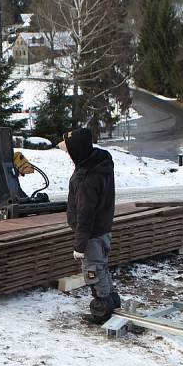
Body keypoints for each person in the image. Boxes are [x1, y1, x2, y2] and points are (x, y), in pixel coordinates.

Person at [59, 128, 120, 324]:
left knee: (93, 270)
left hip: (92, 233)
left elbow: (85, 214)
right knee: (102, 266)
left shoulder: (86, 177)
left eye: (69, 151)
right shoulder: (99, 163)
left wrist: (79, 245)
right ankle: (111, 300)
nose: (68, 155)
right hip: (103, 229)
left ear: (77, 151)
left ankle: (102, 309)